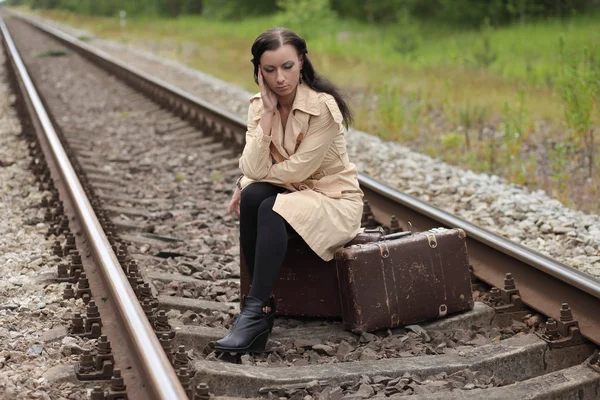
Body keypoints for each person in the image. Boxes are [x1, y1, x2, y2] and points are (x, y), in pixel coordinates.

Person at [214, 27, 364, 354]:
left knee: (268, 204)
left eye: (287, 67)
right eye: (270, 70)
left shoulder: (323, 107)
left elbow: (298, 169)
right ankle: (260, 310)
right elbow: (252, 167)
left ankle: (253, 313)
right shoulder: (259, 106)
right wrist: (268, 115)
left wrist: (252, 179)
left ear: (301, 63)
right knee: (255, 196)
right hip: (293, 195)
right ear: (258, 71)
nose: (280, 78)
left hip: (333, 200)